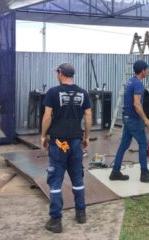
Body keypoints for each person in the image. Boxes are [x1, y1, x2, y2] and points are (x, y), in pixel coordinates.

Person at [41, 63, 92, 233]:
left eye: (57, 72)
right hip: (76, 141)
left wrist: (43, 135)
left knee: (55, 179)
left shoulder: (53, 93)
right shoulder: (83, 93)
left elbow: (47, 116)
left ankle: (56, 220)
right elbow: (88, 116)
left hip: (58, 143)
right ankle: (81, 213)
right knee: (77, 177)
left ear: (61, 73)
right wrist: (86, 137)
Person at [109, 60, 149, 183]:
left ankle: (115, 172)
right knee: (143, 144)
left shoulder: (130, 81)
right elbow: (137, 105)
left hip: (127, 118)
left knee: (124, 145)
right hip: (134, 119)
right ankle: (144, 173)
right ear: (142, 70)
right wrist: (146, 120)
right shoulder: (137, 84)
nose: (147, 71)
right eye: (146, 69)